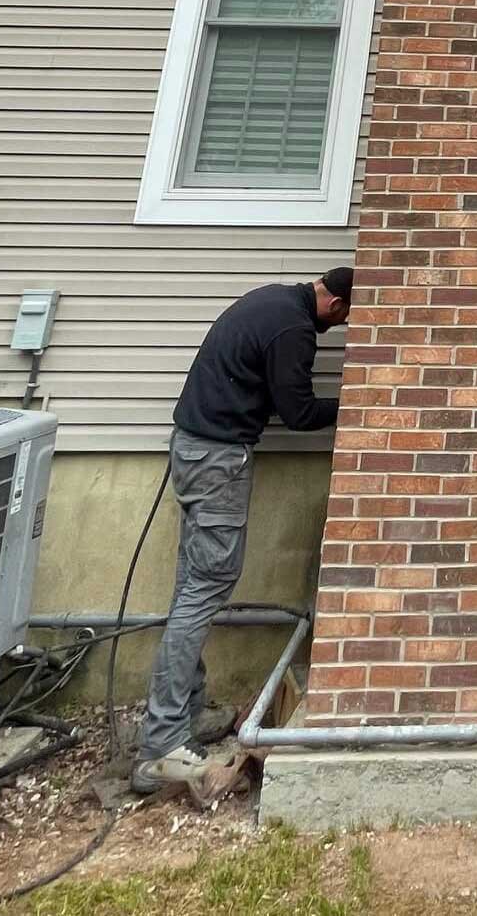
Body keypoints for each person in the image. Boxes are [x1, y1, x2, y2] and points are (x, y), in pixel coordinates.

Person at [131, 268, 352, 794]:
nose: (340, 328)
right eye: (346, 319)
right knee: (204, 589)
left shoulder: (272, 301)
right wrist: (357, 403)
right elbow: (297, 412)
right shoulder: (293, 328)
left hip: (194, 447)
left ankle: (184, 713)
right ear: (337, 304)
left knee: (194, 588)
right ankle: (161, 744)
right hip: (217, 458)